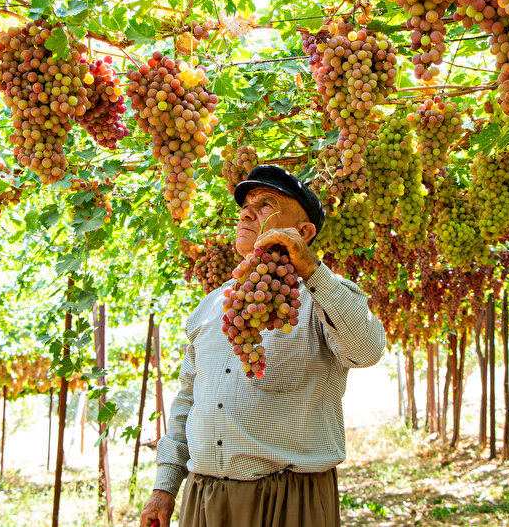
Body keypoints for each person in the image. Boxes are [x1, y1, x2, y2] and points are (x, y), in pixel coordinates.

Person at [139, 165, 386, 527]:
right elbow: (188, 401)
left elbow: (367, 350)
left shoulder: (325, 298)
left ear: (304, 232)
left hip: (288, 501)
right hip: (203, 499)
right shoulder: (210, 306)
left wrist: (313, 270)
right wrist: (165, 488)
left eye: (266, 204)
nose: (247, 212)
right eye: (245, 206)